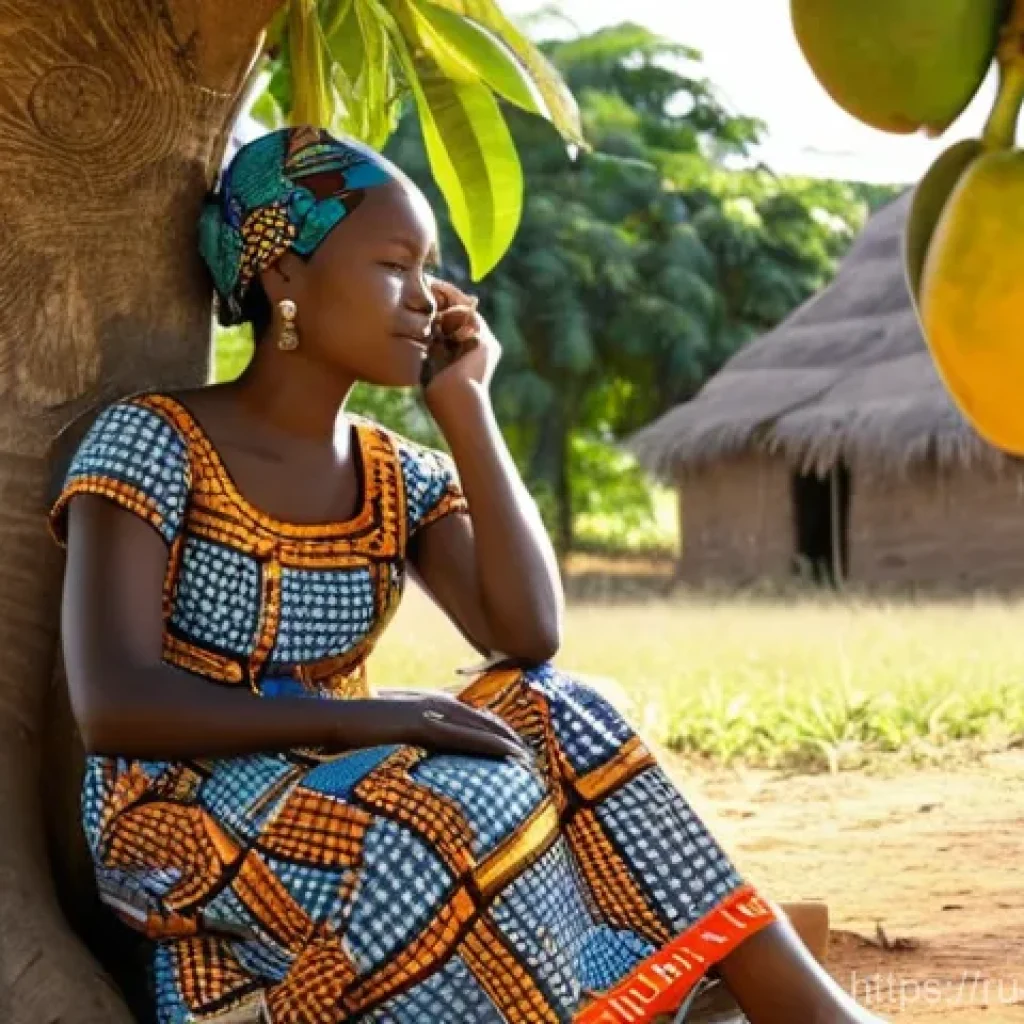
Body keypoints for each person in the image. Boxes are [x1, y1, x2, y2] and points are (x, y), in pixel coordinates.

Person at [50, 126, 887, 1024]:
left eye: (428, 271)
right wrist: (378, 718)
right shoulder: (151, 441)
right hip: (177, 810)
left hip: (338, 775)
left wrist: (467, 408)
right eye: (392, 267)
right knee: (462, 802)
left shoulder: (395, 473)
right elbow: (114, 706)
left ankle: (804, 1008)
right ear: (286, 273)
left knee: (556, 707)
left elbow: (527, 635)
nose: (424, 300)